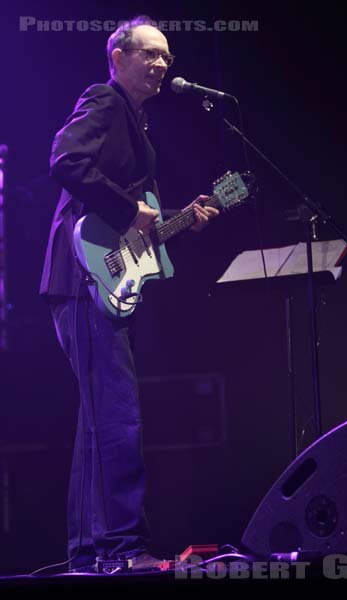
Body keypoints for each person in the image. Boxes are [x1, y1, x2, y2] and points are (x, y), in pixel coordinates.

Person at [40, 15, 219, 573]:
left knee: (100, 419)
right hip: (82, 277)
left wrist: (175, 222)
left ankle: (88, 552)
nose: (162, 64)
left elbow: (139, 224)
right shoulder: (104, 100)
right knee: (119, 415)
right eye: (150, 54)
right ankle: (123, 548)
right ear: (118, 57)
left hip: (102, 278)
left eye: (167, 56)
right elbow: (66, 160)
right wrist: (129, 208)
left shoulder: (135, 121)